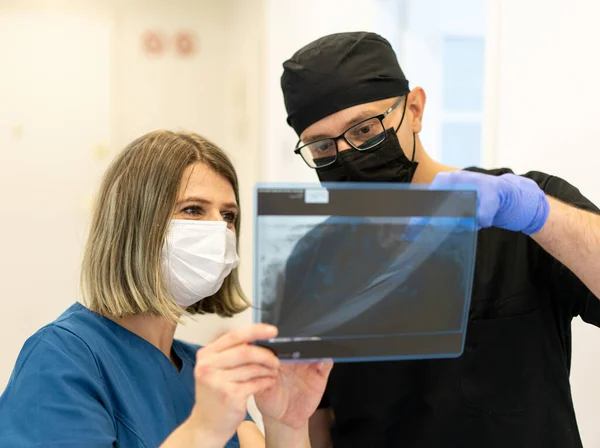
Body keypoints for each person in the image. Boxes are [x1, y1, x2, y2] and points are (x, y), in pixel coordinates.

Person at [279, 32, 600, 448]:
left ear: (414, 110)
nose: (348, 155)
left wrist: (539, 215)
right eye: (323, 146)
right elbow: (313, 424)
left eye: (364, 130)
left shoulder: (521, 219)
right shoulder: (312, 263)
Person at [0, 130, 332, 448]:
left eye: (229, 215)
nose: (220, 229)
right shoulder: (62, 357)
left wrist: (286, 424)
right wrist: (203, 430)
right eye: (193, 210)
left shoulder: (204, 369)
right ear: (134, 225)